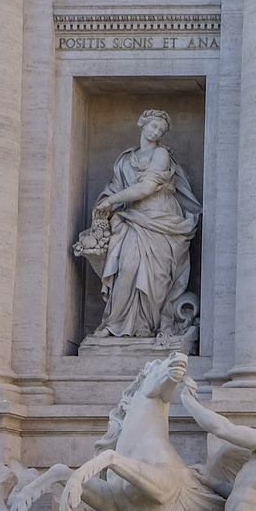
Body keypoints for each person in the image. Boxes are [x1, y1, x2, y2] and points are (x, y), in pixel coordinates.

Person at [82, 109, 199, 340]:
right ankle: (115, 322)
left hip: (161, 221)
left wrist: (111, 202)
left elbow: (145, 189)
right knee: (127, 267)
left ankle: (147, 325)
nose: (156, 132)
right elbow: (114, 189)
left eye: (161, 130)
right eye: (153, 126)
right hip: (133, 220)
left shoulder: (161, 155)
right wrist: (106, 206)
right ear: (141, 124)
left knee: (156, 277)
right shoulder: (125, 160)